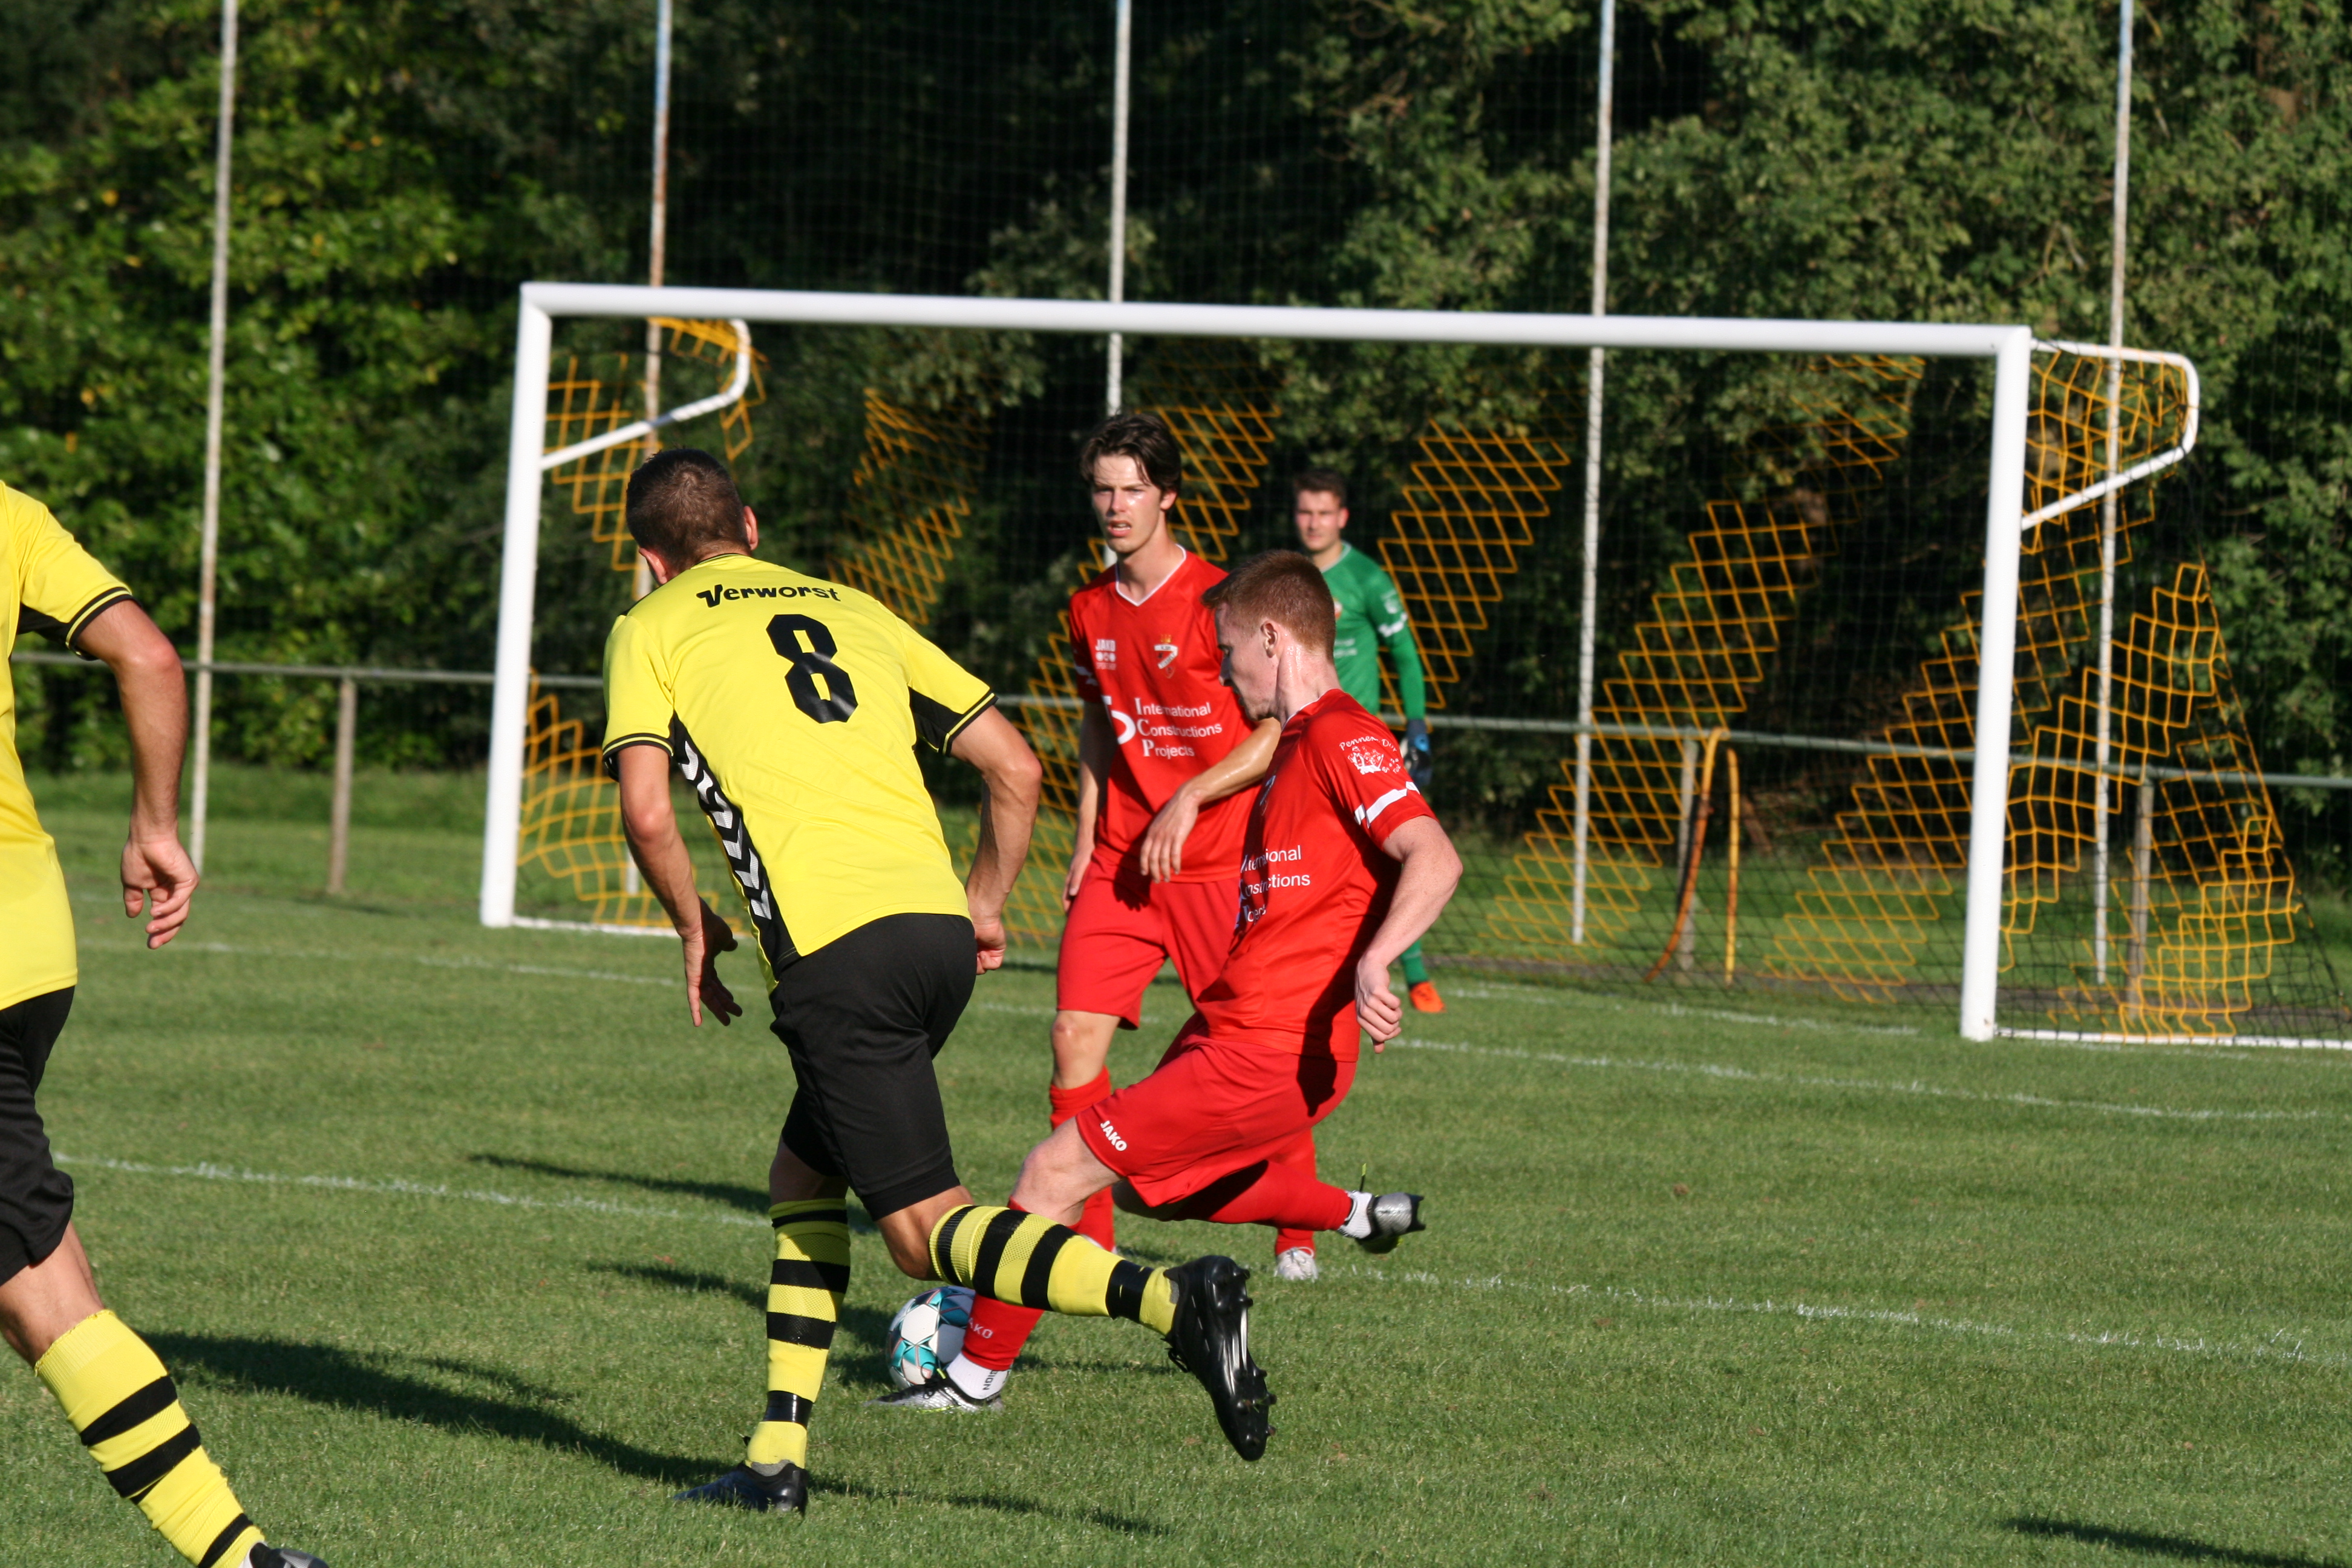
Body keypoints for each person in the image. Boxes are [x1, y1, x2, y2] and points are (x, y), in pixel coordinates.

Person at [604, 449, 1271, 1509]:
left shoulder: (652, 627)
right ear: (752, 521)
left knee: (921, 1236)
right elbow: (1016, 767)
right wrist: (987, 902)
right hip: (933, 938)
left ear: (649, 559)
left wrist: (694, 926)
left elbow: (646, 810)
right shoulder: (850, 605)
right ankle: (774, 1464)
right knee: (801, 1182)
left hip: (838, 954)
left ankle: (1171, 1299)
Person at [897, 549, 1462, 1460]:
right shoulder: (1299, 744)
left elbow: (1434, 855)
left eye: (1234, 648)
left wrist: (1379, 962)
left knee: (1051, 1173)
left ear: (1275, 638)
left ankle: (974, 1379)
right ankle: (1353, 1213)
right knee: (1169, 1190)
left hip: (1266, 1049)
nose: (1229, 671)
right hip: (1241, 1034)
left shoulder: (1347, 737)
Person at [0, 483, 326, 1568]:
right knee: (30, 1258)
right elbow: (147, 656)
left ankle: (242, 1560)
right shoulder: (8, 512)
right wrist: (152, 822)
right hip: (27, 941)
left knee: (43, 1287)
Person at [1293, 469, 1446, 1013]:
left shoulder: (1368, 578)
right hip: (1297, 737)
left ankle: (1415, 971)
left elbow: (1405, 655)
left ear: (1343, 518)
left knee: (1389, 853)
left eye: (1323, 513)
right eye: (1305, 512)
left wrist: (1418, 726)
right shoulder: (1292, 577)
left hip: (1358, 736)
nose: (1313, 523)